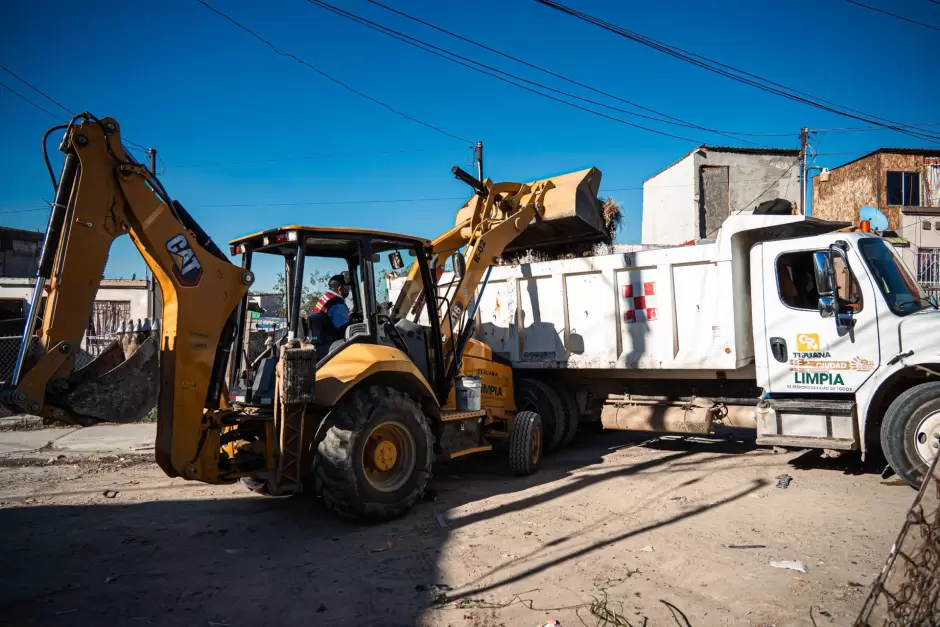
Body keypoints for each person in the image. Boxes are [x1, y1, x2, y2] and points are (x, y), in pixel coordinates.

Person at [308, 274, 351, 350]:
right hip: (330, 344)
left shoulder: (326, 298)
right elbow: (344, 327)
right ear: (340, 289)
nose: (348, 291)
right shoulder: (336, 302)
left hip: (320, 341)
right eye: (347, 288)